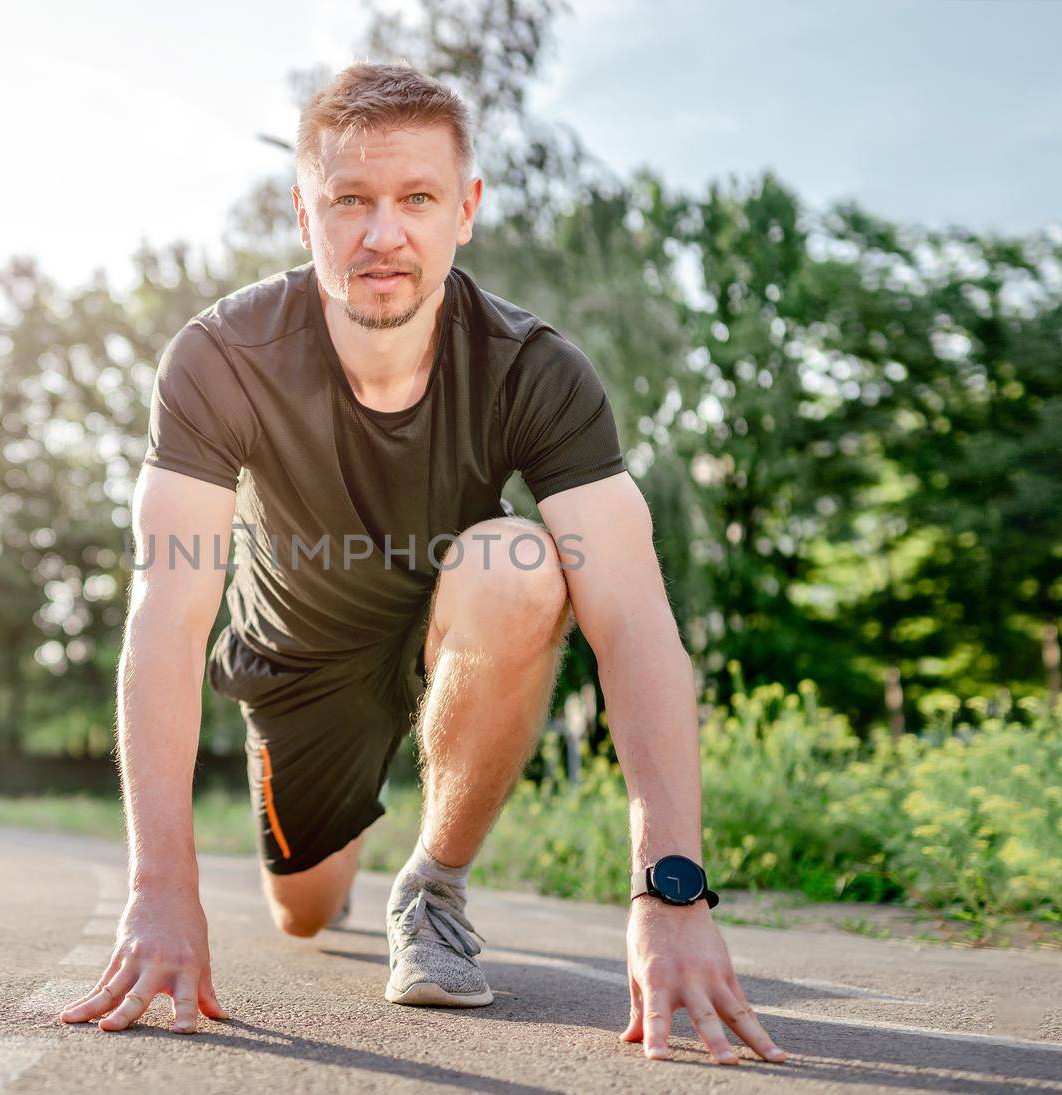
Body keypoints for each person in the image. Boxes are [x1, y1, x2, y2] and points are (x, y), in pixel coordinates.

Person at [60, 60, 788, 1067]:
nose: (382, 233)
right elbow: (169, 618)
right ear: (303, 211)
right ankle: (342, 827)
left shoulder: (534, 369)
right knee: (306, 915)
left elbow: (633, 620)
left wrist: (670, 891)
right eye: (348, 200)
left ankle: (433, 884)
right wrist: (161, 894)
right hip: (299, 665)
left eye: (416, 199)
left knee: (524, 562)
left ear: (466, 210)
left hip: (458, 618)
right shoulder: (219, 357)